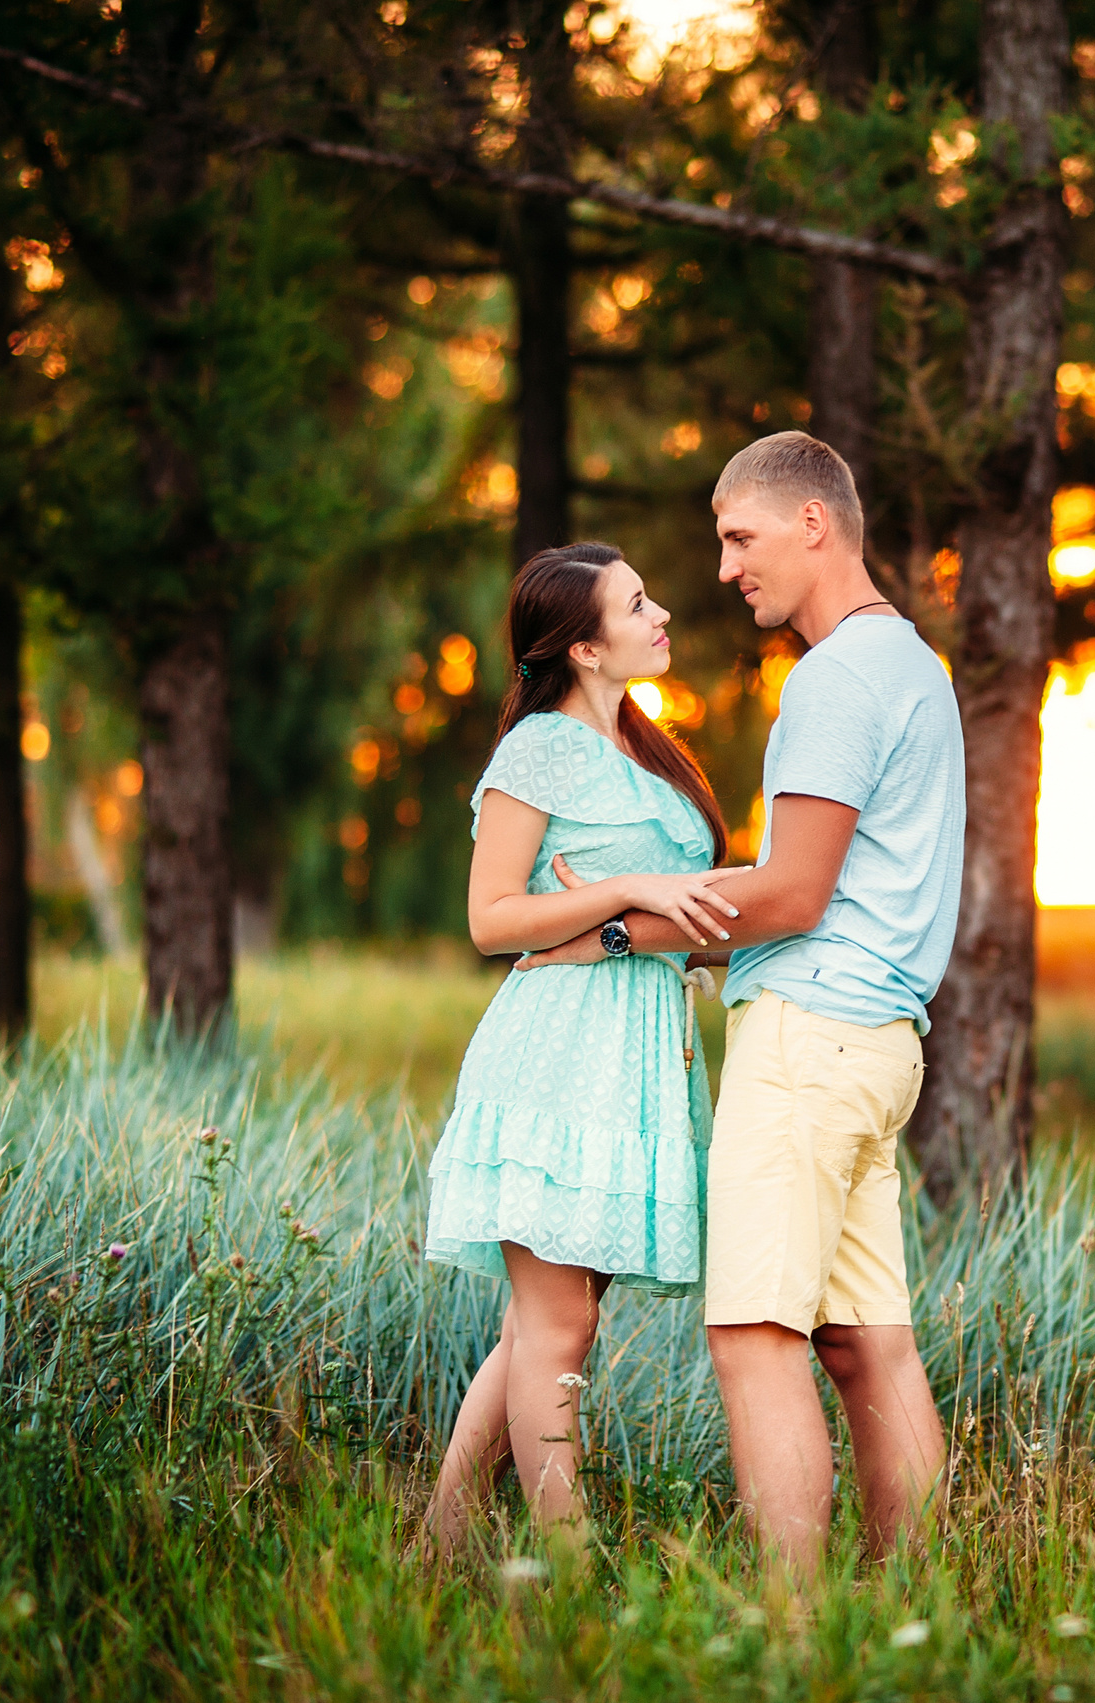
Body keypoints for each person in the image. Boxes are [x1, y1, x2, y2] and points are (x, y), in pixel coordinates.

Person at [517, 432, 963, 1581]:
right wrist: (659, 903)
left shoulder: (835, 678)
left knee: (754, 1338)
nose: (723, 568)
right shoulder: (911, 663)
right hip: (880, 1043)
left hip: (810, 1042)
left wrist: (610, 928)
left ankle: (792, 1632)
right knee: (868, 1346)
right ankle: (906, 1613)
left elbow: (794, 892)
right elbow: (818, 883)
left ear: (812, 521)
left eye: (738, 536)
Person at [421, 541, 744, 1553]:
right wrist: (626, 889)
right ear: (584, 647)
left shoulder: (648, 749)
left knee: (544, 1324)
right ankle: (566, 1570)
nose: (661, 615)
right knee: (559, 1327)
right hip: (560, 1051)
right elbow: (490, 917)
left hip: (639, 1056)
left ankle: (437, 1544)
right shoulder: (539, 750)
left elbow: (688, 911)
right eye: (635, 604)